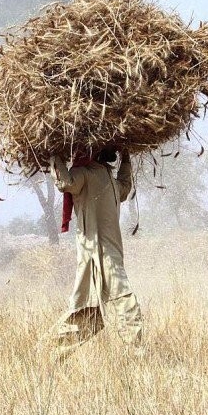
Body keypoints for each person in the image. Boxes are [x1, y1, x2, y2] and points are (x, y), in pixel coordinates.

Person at [46, 148, 142, 360]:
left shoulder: (108, 177)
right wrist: (54, 155)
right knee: (125, 301)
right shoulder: (85, 173)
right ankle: (137, 355)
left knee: (90, 315)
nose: (112, 150)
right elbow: (66, 182)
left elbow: (124, 187)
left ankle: (50, 353)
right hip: (96, 254)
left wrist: (126, 158)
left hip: (109, 254)